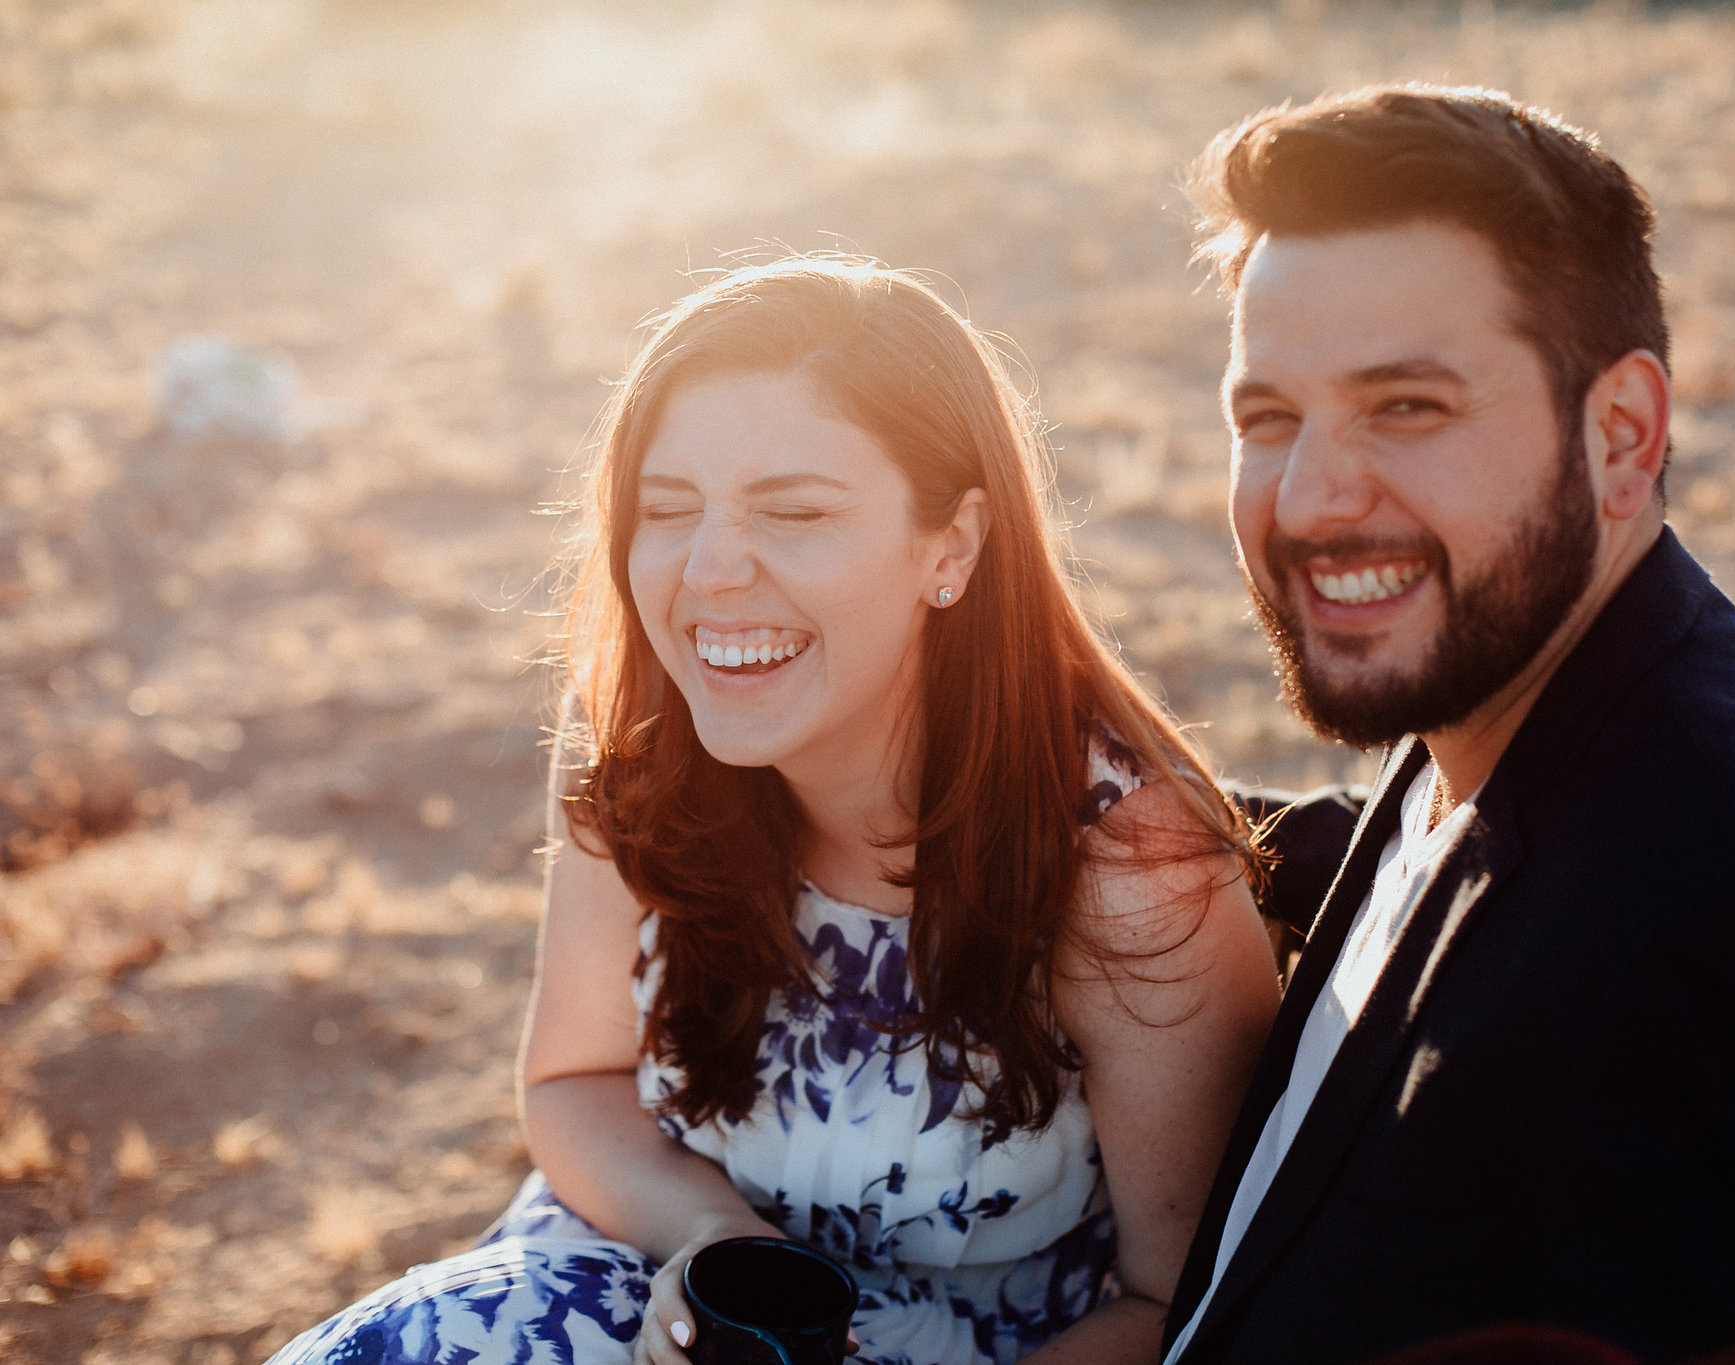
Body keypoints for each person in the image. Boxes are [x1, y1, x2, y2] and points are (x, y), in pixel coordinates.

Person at [265, 259, 1280, 1365]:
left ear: (951, 546)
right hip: (656, 1274)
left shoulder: (1126, 870)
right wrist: (713, 1244)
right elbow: (571, 1083)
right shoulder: (640, 744)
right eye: (666, 511)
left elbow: (1184, 1300)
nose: (707, 572)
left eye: (792, 512)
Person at [1159, 86, 1735, 1365]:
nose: (1312, 496)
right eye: (1267, 417)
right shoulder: (1501, 681)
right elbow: (1457, 910)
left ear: (1620, 434)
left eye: (1406, 407)